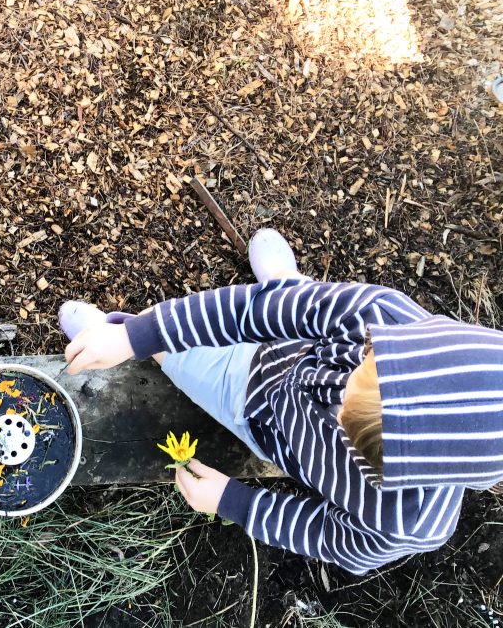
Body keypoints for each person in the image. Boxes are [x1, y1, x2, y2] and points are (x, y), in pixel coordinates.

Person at [59, 229, 503, 574]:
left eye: (354, 432)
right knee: (285, 307)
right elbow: (250, 313)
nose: (337, 397)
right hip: (295, 343)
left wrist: (233, 502)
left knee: (177, 361)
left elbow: (328, 536)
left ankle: (282, 291)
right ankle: (283, 286)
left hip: (255, 405)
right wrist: (136, 336)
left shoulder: (409, 523)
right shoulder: (383, 316)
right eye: (368, 369)